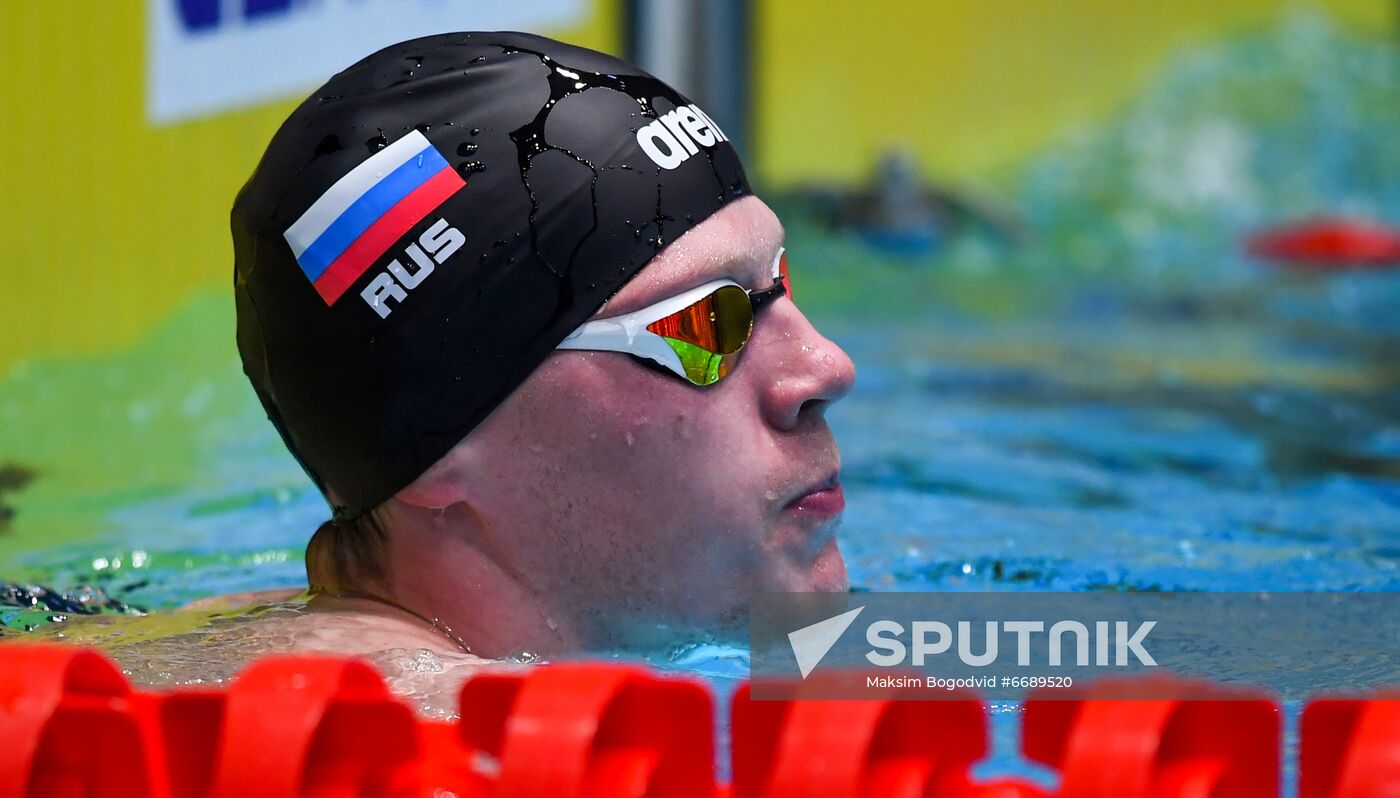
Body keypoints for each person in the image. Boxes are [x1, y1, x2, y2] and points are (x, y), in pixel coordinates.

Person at [231, 31, 855, 663]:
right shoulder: (364, 737)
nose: (828, 367)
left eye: (779, 280)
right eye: (703, 324)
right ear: (439, 443)